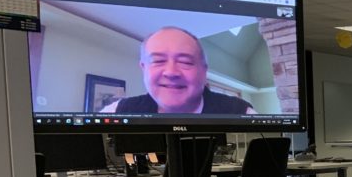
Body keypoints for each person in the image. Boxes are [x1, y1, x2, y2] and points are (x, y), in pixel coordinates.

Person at [101, 27, 256, 115]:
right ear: (144, 68)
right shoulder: (116, 112)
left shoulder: (240, 112)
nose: (171, 72)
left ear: (203, 71)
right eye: (158, 61)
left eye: (185, 62)